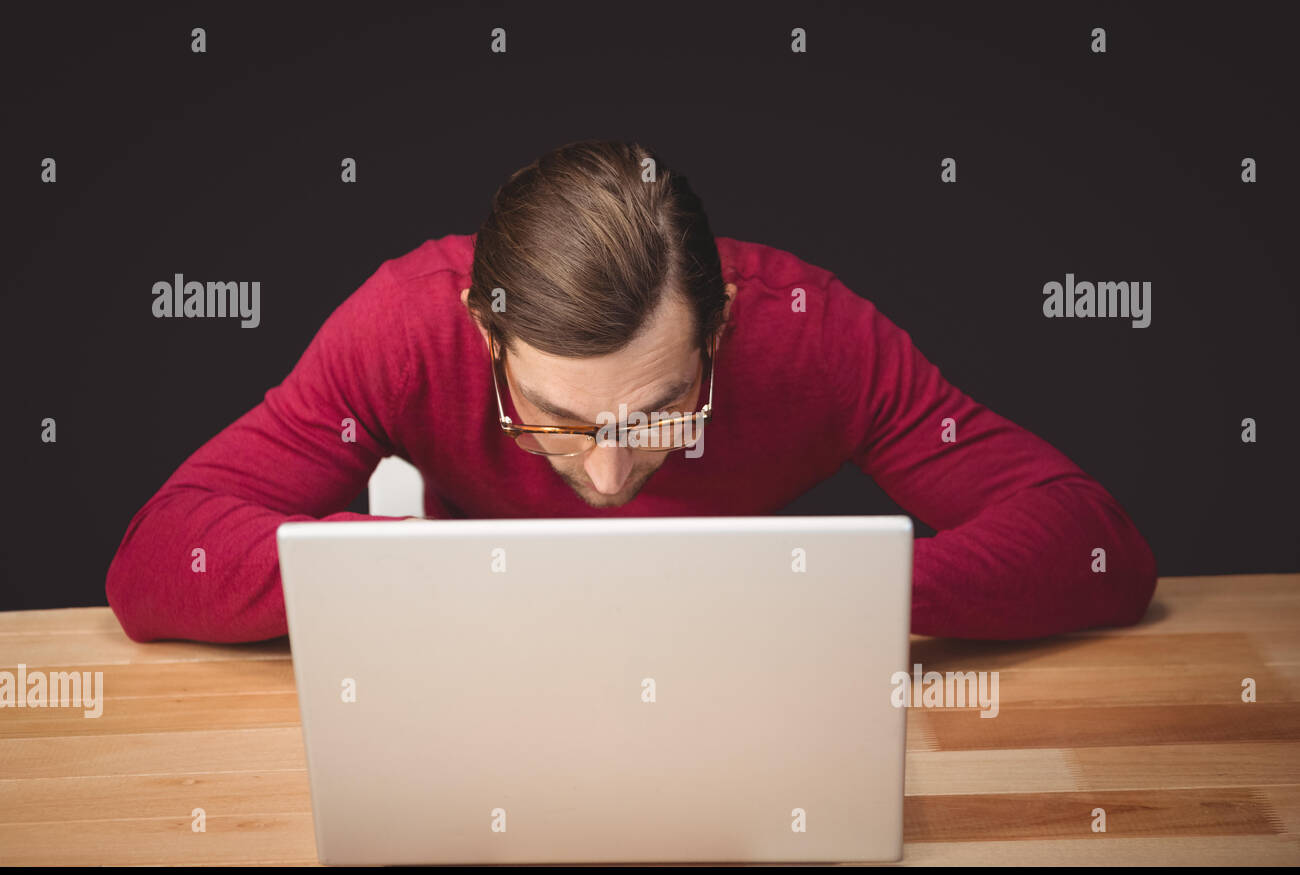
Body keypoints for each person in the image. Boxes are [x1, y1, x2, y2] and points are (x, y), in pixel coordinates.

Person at [105, 139, 1157, 644]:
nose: (606, 476)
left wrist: (821, 595)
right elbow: (157, 559)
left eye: (659, 411)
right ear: (484, 332)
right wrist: (426, 578)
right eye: (554, 419)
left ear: (723, 329)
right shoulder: (400, 322)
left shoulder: (812, 332)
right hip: (478, 670)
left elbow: (1094, 543)